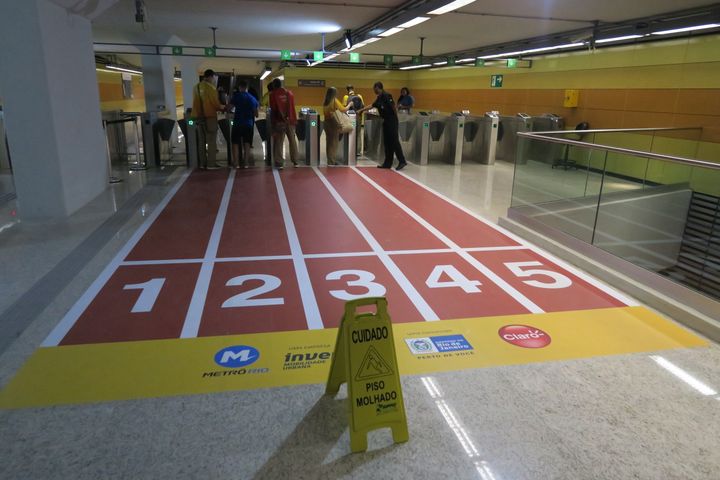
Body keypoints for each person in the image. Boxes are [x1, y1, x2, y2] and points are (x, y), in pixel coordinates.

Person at [356, 81, 407, 170]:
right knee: (387, 143)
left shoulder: (387, 95)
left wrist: (395, 120)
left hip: (392, 121)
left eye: (375, 89)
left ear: (379, 88)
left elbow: (393, 107)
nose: (374, 91)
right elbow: (372, 105)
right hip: (386, 121)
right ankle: (387, 163)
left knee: (394, 141)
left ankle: (402, 161)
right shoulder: (379, 97)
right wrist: (361, 110)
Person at [191, 69, 225, 170]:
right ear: (210, 77)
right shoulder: (211, 88)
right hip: (209, 117)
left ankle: (202, 163)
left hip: (198, 118)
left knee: (201, 141)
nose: (214, 80)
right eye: (214, 78)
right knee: (211, 141)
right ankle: (211, 164)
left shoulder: (196, 87)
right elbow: (215, 104)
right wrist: (223, 107)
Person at [269, 78, 298, 169]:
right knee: (292, 141)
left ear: (274, 85)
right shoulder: (289, 93)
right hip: (291, 121)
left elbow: (273, 109)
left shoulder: (273, 94)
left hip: (279, 121)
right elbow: (292, 107)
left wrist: (273, 123)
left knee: (279, 141)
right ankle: (295, 161)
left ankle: (279, 162)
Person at [229, 79, 259, 169]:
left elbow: (229, 108)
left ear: (239, 87)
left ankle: (236, 163)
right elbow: (256, 114)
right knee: (247, 143)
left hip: (237, 123)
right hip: (248, 124)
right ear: (247, 88)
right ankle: (246, 163)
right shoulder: (252, 98)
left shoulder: (236, 96)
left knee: (235, 143)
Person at [323, 87, 351, 166]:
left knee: (329, 142)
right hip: (333, 123)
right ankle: (332, 161)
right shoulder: (334, 100)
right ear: (334, 93)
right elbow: (343, 109)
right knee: (334, 142)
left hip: (326, 122)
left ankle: (330, 160)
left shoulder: (326, 101)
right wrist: (350, 104)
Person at [342, 84, 365, 155]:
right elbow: (363, 106)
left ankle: (350, 149)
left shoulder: (346, 97)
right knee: (358, 133)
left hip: (350, 117)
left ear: (347, 90)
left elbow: (344, 108)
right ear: (353, 89)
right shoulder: (359, 96)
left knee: (350, 132)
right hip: (358, 117)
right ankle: (358, 151)